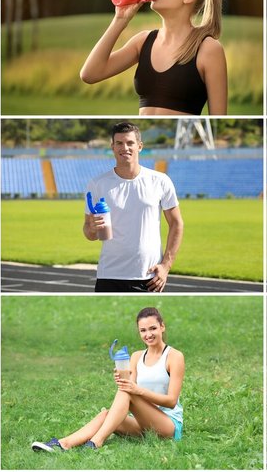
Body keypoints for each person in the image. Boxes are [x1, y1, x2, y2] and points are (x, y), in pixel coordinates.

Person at [80, 0, 227, 115]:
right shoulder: (143, 41)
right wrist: (120, 20)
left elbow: (218, 118)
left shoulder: (208, 49)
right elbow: (90, 74)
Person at [32, 307, 185, 451]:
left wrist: (137, 390)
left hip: (168, 425)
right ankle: (63, 444)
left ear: (162, 327)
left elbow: (171, 401)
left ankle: (96, 441)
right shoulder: (136, 356)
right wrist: (122, 378)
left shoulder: (174, 356)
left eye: (153, 328)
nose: (148, 334)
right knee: (106, 413)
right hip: (142, 422)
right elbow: (129, 390)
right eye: (143, 330)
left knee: (128, 390)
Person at [83, 122, 183, 292]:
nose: (125, 148)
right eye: (119, 143)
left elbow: (176, 223)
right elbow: (89, 232)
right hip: (109, 275)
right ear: (112, 147)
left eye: (130, 143)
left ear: (140, 146)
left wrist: (166, 265)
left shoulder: (160, 180)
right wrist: (91, 228)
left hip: (149, 276)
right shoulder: (97, 184)